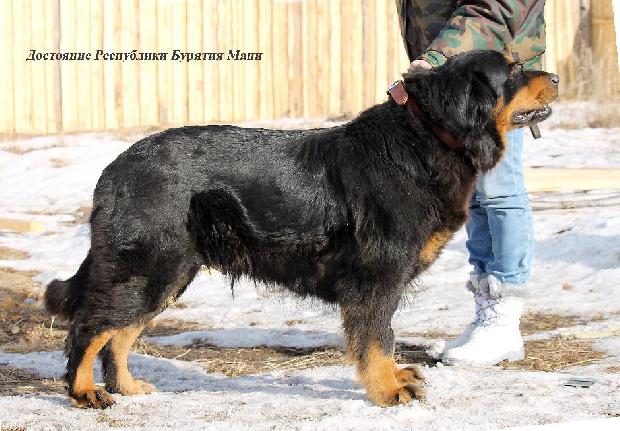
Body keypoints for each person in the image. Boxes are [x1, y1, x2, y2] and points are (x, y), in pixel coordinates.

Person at [394, 0, 546, 365]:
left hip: (495, 79)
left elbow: (495, 8)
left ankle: (503, 321)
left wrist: (436, 59)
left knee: (499, 191)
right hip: (458, 77)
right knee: (475, 194)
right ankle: (486, 314)